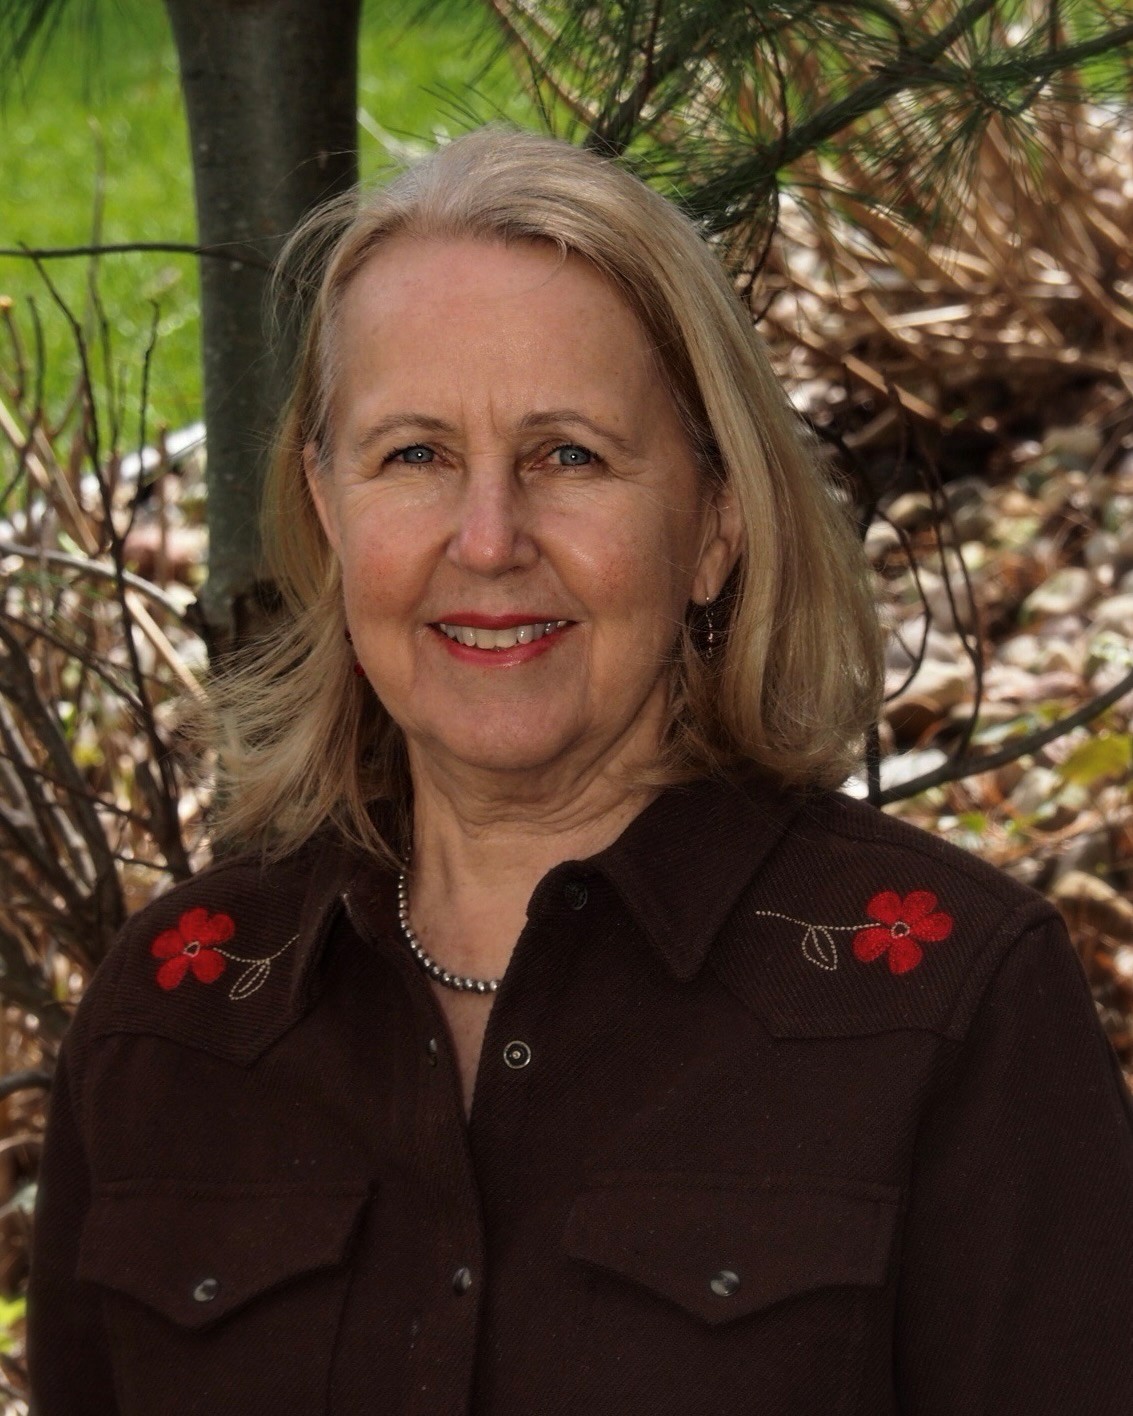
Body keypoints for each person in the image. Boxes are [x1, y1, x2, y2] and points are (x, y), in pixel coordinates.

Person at [28, 126, 1133, 1415]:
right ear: (328, 516)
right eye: (415, 455)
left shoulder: (948, 1003)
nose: (488, 541)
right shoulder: (177, 1018)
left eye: (569, 456)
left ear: (715, 524)